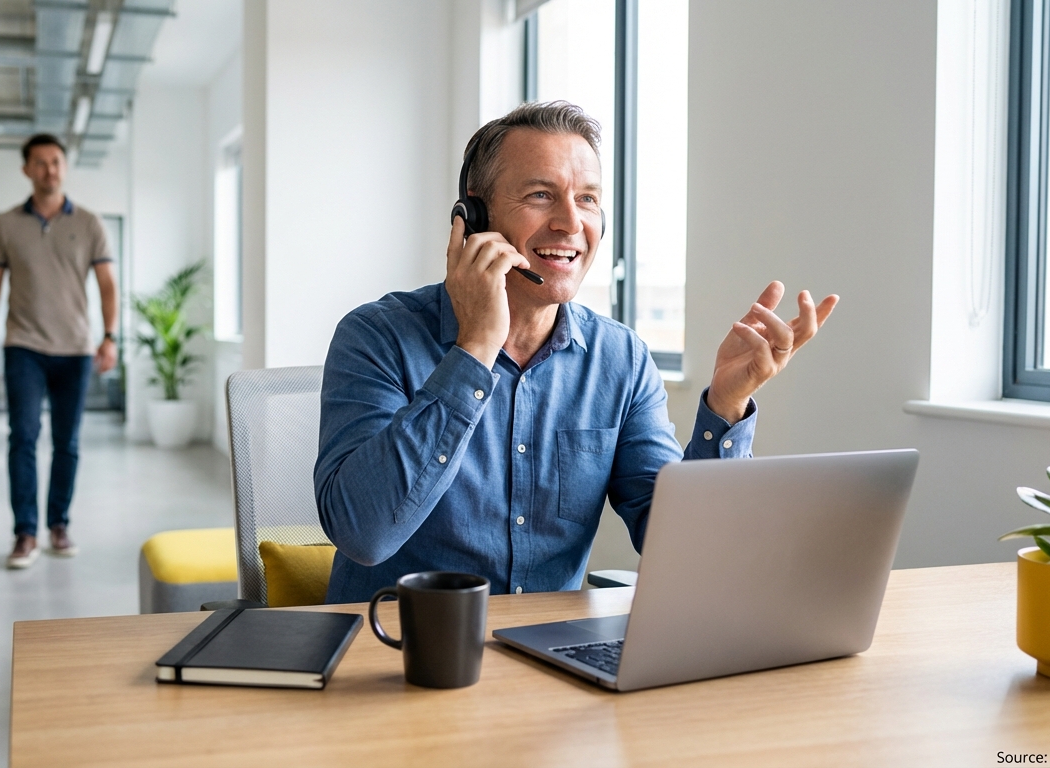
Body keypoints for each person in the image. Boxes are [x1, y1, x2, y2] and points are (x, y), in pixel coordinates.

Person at [315, 101, 838, 603]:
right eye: (541, 195)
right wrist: (474, 349)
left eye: (587, 198)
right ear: (473, 216)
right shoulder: (376, 337)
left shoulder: (621, 359)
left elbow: (688, 554)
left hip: (544, 660)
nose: (571, 223)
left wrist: (725, 406)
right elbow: (364, 534)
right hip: (396, 656)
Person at [0, 134, 119, 569]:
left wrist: (110, 336)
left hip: (75, 349)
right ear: (26, 169)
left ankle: (58, 523)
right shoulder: (5, 225)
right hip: (23, 347)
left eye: (55, 161)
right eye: (40, 163)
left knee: (67, 443)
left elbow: (108, 285)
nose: (49, 169)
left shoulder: (90, 224)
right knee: (22, 438)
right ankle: (25, 533)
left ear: (64, 167)